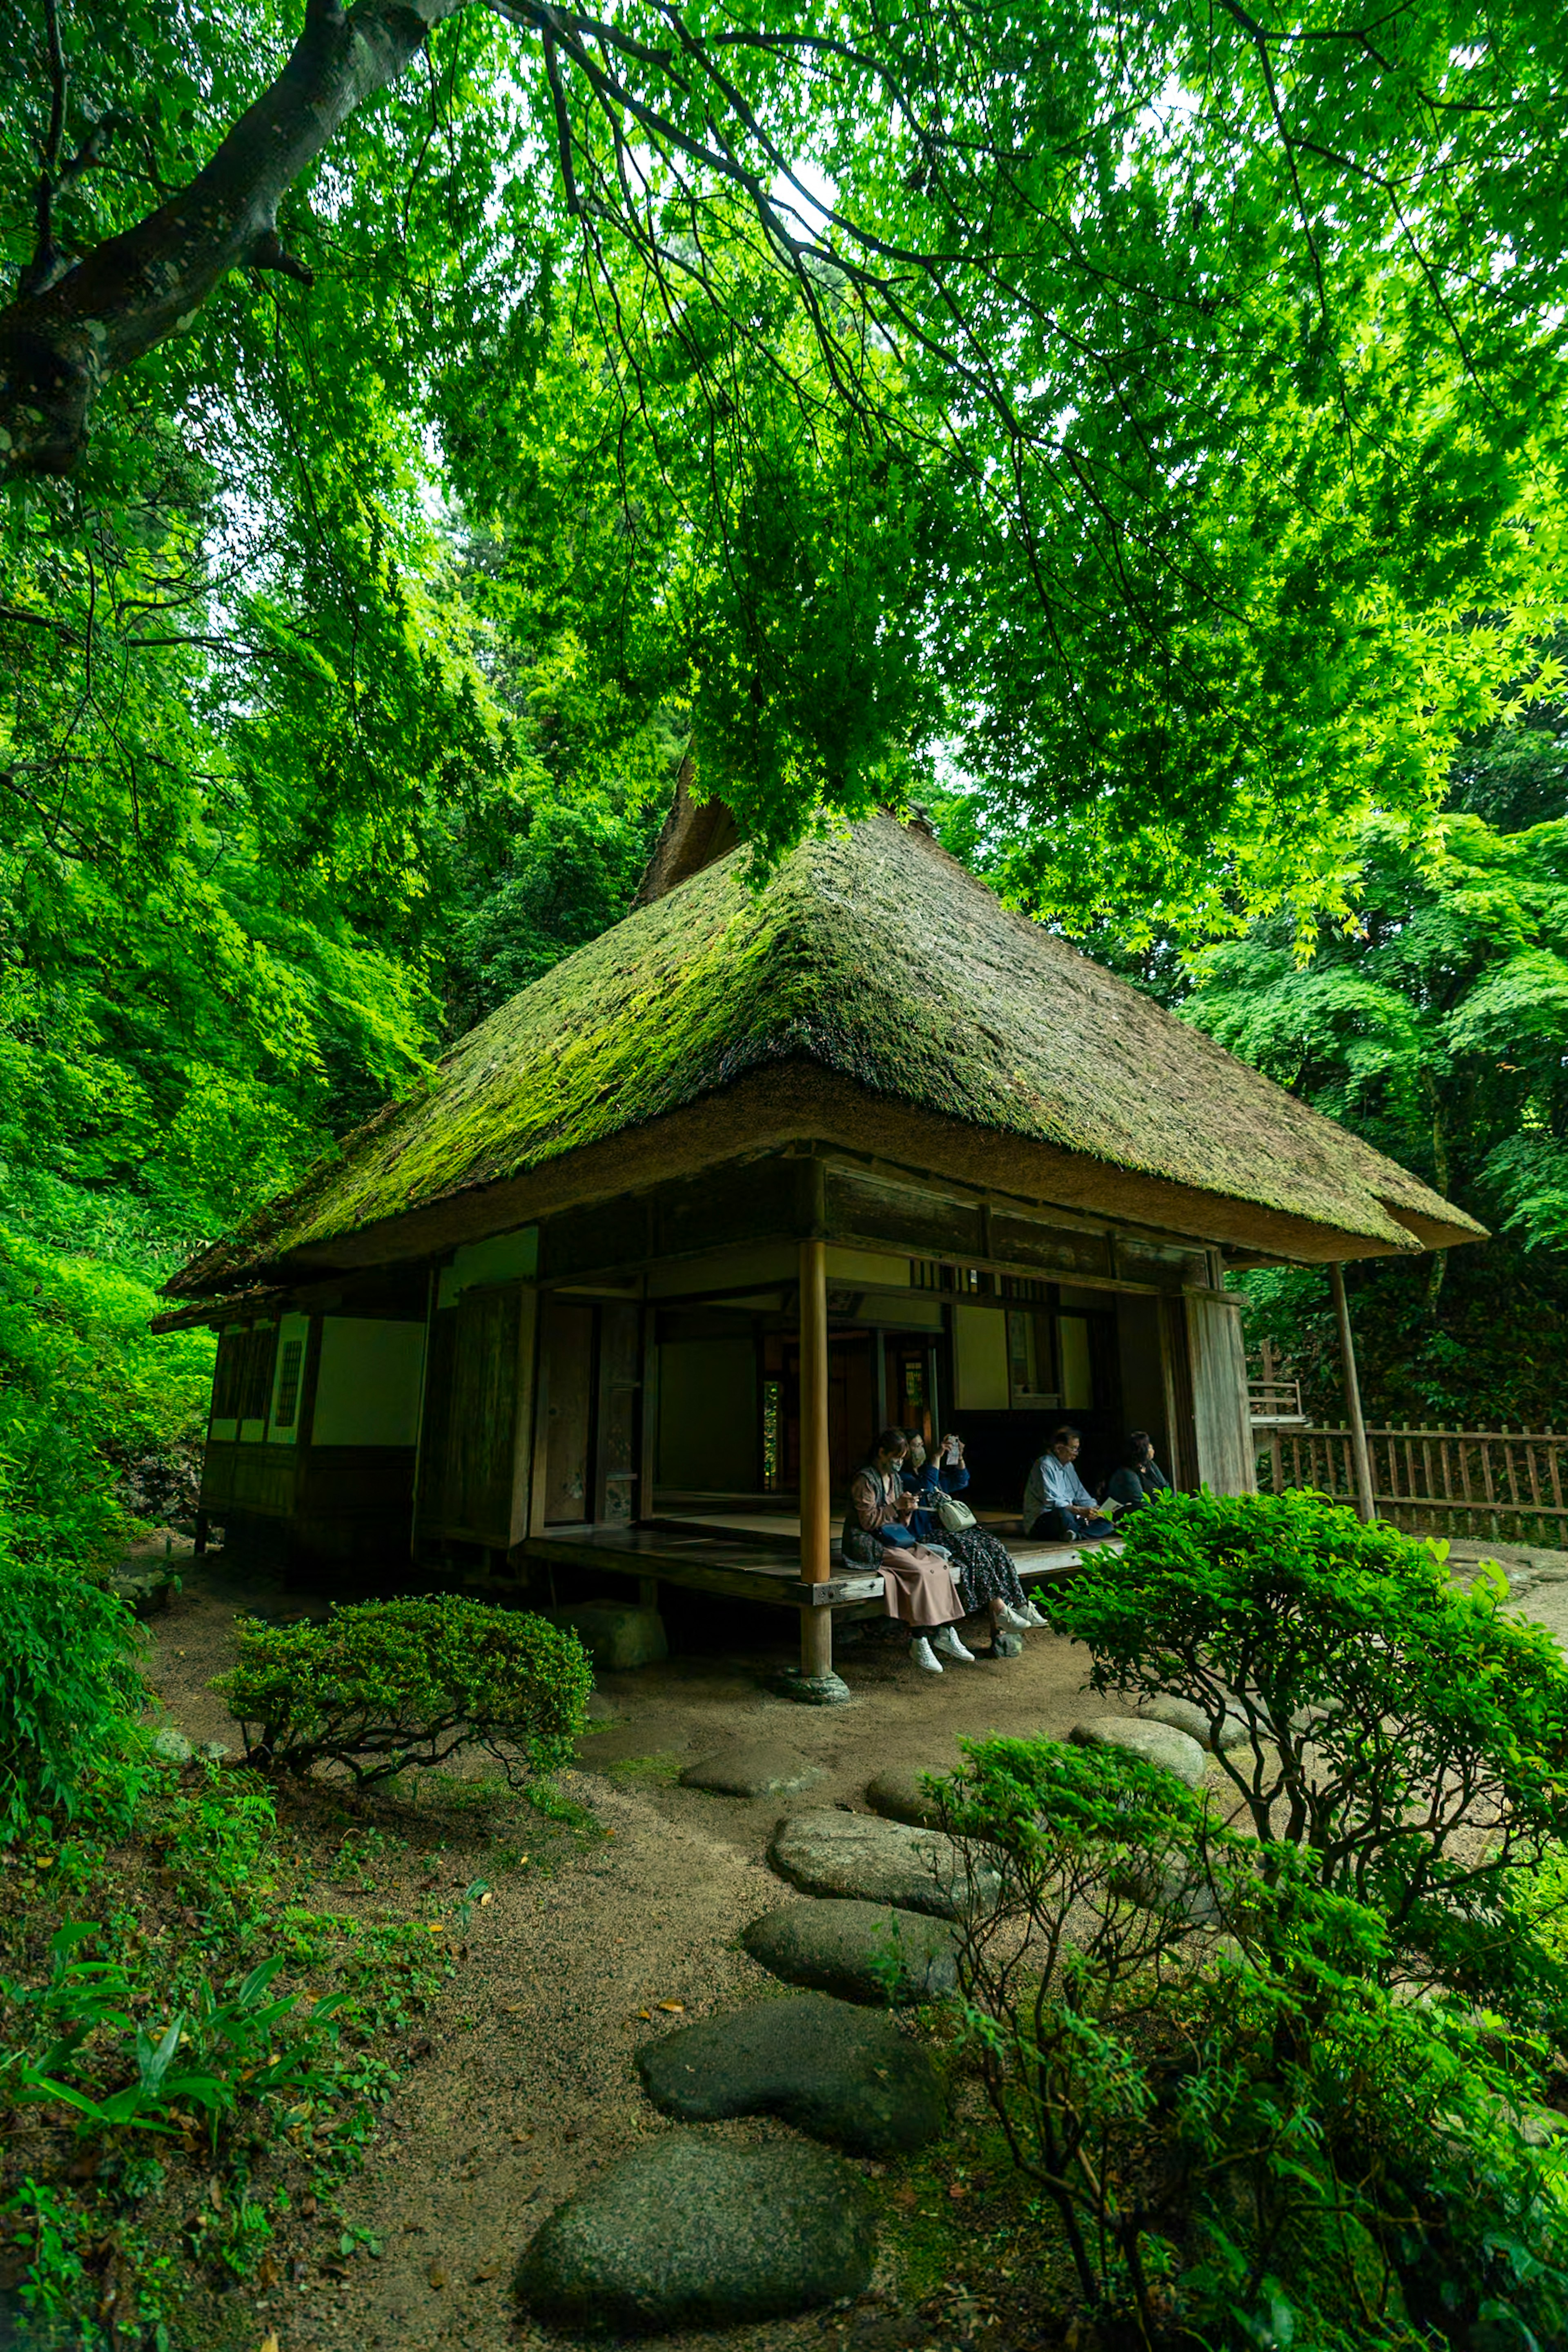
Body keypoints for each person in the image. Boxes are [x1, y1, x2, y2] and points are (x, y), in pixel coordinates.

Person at [842, 1429, 976, 1673]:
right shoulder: (865, 1480)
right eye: (897, 1457)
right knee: (918, 1571)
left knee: (938, 1563)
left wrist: (907, 1511)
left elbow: (899, 1524)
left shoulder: (896, 1479)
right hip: (867, 1542)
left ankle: (946, 1630)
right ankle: (919, 1638)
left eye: (903, 1458)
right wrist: (896, 1506)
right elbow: (868, 1523)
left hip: (894, 1539)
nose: (900, 1463)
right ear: (881, 1453)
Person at [900, 1433, 1046, 1632]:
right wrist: (936, 1459)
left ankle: (1020, 1604)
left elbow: (961, 1481)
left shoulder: (929, 1472)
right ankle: (1000, 1609)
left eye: (921, 1445)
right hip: (925, 1533)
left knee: (994, 1545)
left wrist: (959, 1458)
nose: (921, 1450)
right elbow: (926, 1488)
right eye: (915, 1446)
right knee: (973, 1549)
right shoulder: (904, 1478)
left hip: (948, 1529)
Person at [1023, 1425, 1120, 1543]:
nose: (1077, 1454)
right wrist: (1079, 1511)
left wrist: (1097, 1509)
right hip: (1045, 1519)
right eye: (1074, 1449)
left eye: (1078, 1449)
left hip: (1071, 1517)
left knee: (1107, 1523)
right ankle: (1080, 1533)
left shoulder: (1069, 1466)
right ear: (1059, 1449)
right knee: (1064, 1514)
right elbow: (1051, 1501)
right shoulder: (1045, 1464)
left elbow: (1080, 1494)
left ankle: (1076, 1535)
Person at [1105, 1430, 1171, 1516]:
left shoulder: (1150, 1464)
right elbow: (1140, 1503)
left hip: (1158, 1512)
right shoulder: (1127, 1474)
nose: (1152, 1448)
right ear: (1142, 1450)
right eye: (1149, 1446)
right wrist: (1163, 1515)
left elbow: (1165, 1486)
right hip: (1137, 1517)